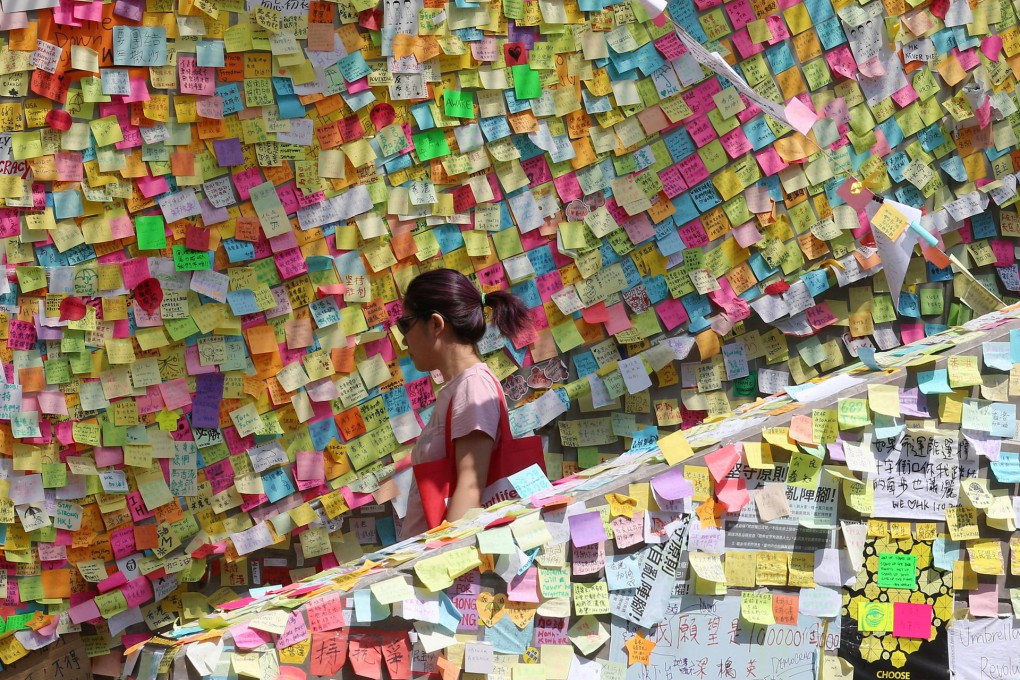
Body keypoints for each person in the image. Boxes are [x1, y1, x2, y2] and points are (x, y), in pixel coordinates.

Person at [395, 268, 533, 540]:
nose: (402, 339)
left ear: (435, 324)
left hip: (441, 566)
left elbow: (470, 489)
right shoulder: (461, 387)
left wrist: (439, 564)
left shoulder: (473, 387)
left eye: (405, 325)